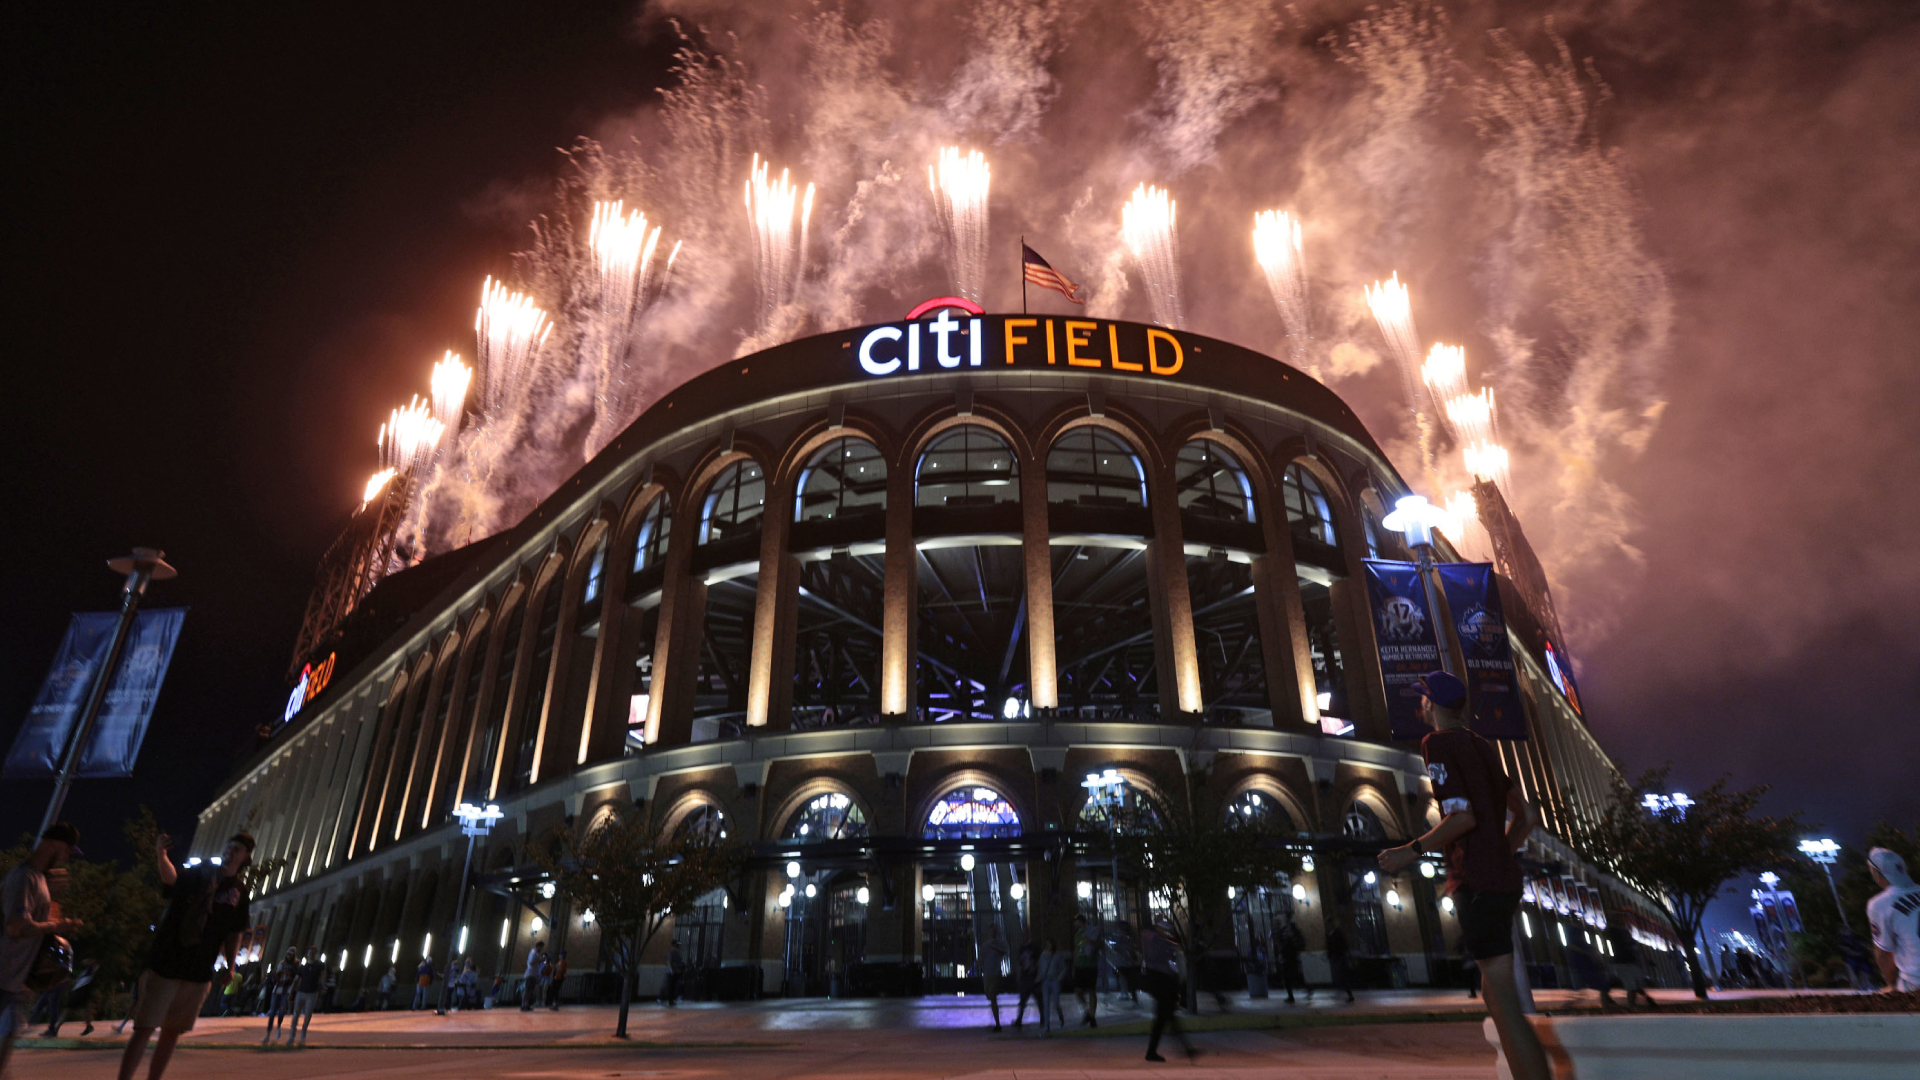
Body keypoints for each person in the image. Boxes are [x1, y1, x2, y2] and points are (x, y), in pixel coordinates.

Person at [1377, 670, 1550, 1080]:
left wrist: (1408, 851)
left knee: (1506, 1007)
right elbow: (1527, 814)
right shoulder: (1479, 745)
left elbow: (1462, 817)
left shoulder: (1437, 743)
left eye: (1422, 697)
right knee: (1494, 993)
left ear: (1431, 704)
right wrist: (1500, 853)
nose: (1420, 704)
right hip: (1501, 882)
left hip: (1477, 885)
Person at [117, 830, 255, 1080]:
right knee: (144, 1028)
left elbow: (234, 932)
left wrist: (231, 965)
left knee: (171, 1033)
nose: (230, 851)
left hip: (198, 972)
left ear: (245, 857)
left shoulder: (240, 893)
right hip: (167, 963)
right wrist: (161, 854)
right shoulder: (201, 873)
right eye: (229, 846)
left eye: (237, 849)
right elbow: (171, 880)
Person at [2, 822, 86, 1074]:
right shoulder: (24, 877)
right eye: (68, 850)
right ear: (54, 844)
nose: (67, 857)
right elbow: (16, 927)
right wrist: (57, 926)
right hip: (3, 973)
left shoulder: (38, 878)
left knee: (8, 1037)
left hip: (14, 980)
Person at [1865, 847, 1919, 992]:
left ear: (1877, 873)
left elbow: (1883, 954)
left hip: (1915, 983)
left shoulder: (1879, 904)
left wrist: (1892, 984)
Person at [1141, 918, 1193, 1063]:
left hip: (1162, 985)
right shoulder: (1156, 942)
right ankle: (1185, 1049)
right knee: (1164, 1019)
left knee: (1164, 1019)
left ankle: (1185, 1049)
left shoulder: (1152, 942)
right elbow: (1165, 959)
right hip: (1163, 985)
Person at [1600, 913, 1656, 1010]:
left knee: (1631, 983)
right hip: (1624, 962)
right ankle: (1630, 1005)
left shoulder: (1617, 931)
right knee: (1631, 985)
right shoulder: (1617, 932)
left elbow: (1633, 946)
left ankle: (1608, 1003)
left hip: (1624, 961)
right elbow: (1632, 946)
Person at [47, 958, 100, 1036]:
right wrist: (72, 981)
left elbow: (85, 981)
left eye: (86, 960)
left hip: (81, 991)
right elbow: (81, 980)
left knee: (68, 1009)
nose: (83, 961)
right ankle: (88, 1026)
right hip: (81, 991)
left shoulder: (92, 969)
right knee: (83, 1009)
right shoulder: (87, 970)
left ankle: (56, 1029)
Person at [286, 946, 325, 1046]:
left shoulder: (319, 965)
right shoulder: (303, 967)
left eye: (313, 953)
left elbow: (323, 977)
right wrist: (291, 991)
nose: (311, 954)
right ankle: (292, 1036)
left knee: (308, 1014)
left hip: (312, 993)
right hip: (301, 992)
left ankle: (303, 1033)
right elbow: (296, 980)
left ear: (316, 954)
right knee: (296, 1014)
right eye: (310, 953)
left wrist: (322, 987)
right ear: (307, 954)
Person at [1071, 914, 1103, 1027]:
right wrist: (1074, 966)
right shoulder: (1077, 935)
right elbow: (1076, 950)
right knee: (1078, 991)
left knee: (1091, 991)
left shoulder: (1092, 932)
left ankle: (1092, 1016)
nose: (1075, 924)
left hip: (1090, 965)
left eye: (1076, 921)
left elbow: (1100, 945)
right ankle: (1088, 1011)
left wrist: (1089, 941)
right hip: (1080, 965)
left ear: (1081, 921)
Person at [262, 948, 298, 1044]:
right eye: (288, 954)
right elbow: (276, 975)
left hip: (286, 990)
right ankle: (268, 1034)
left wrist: (289, 976)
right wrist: (279, 974)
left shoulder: (295, 965)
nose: (288, 956)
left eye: (290, 955)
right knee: (272, 1012)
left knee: (282, 1011)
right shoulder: (281, 963)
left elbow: (294, 978)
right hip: (277, 989)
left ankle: (278, 1026)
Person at [977, 921, 1007, 1030]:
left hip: (995, 973)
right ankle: (997, 1020)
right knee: (989, 995)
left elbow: (1004, 951)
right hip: (987, 974)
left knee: (993, 997)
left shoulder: (998, 943)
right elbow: (981, 958)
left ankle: (997, 1023)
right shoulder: (985, 945)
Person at [1037, 940, 1068, 1036]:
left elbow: (1064, 968)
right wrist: (1039, 978)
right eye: (1047, 944)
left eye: (1050, 944)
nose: (1049, 946)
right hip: (1045, 981)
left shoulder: (1057, 956)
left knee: (1056, 1003)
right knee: (1046, 1004)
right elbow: (1040, 968)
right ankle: (1047, 1026)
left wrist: (1059, 979)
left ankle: (1061, 1017)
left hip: (1054, 981)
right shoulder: (1043, 956)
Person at [1276, 920, 1309, 1004]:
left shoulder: (1290, 938)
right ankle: (1294, 995)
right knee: (1294, 977)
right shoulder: (1290, 936)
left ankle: (1292, 996)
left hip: (1290, 960)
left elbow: (1288, 948)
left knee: (1291, 978)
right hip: (1291, 960)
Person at [1108, 922, 1141, 1003]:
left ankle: (1125, 993)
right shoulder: (1129, 937)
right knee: (1129, 977)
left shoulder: (1117, 936)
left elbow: (1114, 948)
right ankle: (1132, 994)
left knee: (1123, 976)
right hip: (1128, 961)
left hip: (1122, 960)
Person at [1011, 940, 1037, 1029]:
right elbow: (1020, 962)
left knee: (1031, 998)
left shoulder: (1032, 948)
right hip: (1026, 976)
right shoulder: (1023, 949)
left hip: (1030, 976)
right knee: (1024, 1000)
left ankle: (1019, 1020)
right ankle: (1019, 1019)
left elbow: (1021, 962)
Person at [1325, 924, 1354, 1003]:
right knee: (1341, 974)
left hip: (1337, 956)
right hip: (1338, 956)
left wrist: (1330, 954)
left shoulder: (1333, 935)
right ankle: (1348, 992)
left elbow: (1331, 946)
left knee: (1340, 974)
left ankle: (1347, 992)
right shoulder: (1336, 934)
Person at [520, 941, 543, 1011]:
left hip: (534, 974)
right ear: (538, 946)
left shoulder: (537, 954)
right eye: (541, 947)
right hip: (530, 973)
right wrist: (540, 960)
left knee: (530, 990)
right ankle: (523, 1005)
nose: (541, 949)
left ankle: (527, 1004)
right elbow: (531, 962)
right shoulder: (533, 953)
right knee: (527, 989)